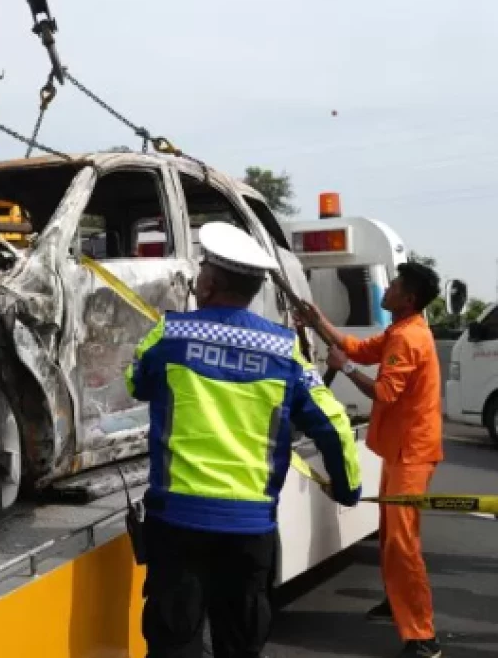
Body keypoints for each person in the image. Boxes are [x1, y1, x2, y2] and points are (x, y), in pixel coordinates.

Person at [126, 222, 362, 658]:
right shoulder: (285, 349)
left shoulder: (170, 333)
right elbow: (334, 424)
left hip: (177, 521)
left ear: (211, 285)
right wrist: (348, 489)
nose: (196, 281)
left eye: (201, 274)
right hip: (249, 528)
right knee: (240, 642)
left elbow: (135, 381)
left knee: (173, 642)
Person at [298, 261, 443, 658]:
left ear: (407, 298)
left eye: (395, 284)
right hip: (402, 450)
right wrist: (318, 321)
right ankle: (398, 603)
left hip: (412, 453)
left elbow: (383, 393)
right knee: (391, 535)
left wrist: (341, 368)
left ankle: (422, 636)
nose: (388, 287)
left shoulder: (410, 339)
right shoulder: (400, 331)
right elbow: (361, 349)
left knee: (401, 544)